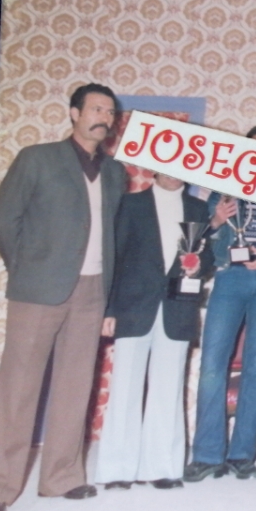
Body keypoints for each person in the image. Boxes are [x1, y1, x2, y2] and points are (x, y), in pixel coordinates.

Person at [0, 83, 127, 511]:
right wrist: (28, 268)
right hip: (38, 290)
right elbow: (4, 219)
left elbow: (113, 240)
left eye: (110, 112)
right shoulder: (36, 159)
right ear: (74, 113)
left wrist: (109, 303)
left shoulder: (115, 173)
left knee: (76, 387)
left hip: (93, 291)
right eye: (95, 108)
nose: (104, 118)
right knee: (19, 387)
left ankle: (62, 477)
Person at [95, 172, 214, 490]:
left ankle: (162, 467)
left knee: (168, 388)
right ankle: (117, 470)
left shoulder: (197, 208)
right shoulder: (131, 204)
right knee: (125, 388)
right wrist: (109, 309)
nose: (175, 175)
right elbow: (114, 258)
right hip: (133, 307)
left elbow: (208, 257)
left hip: (177, 309)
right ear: (155, 168)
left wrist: (197, 265)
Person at [183, 124, 256, 482]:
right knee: (213, 364)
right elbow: (199, 240)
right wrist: (215, 219)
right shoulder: (222, 188)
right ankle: (207, 455)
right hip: (229, 279)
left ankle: (243, 455)